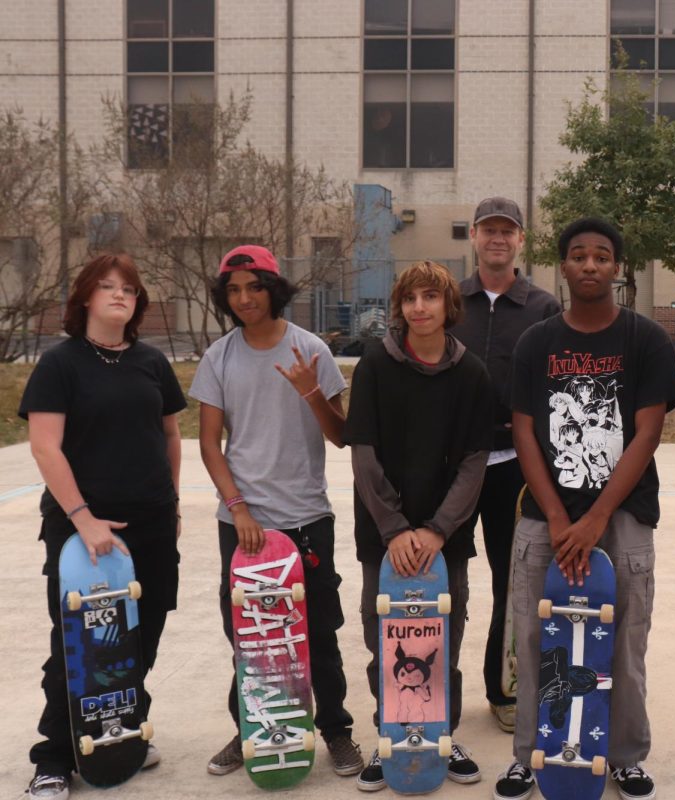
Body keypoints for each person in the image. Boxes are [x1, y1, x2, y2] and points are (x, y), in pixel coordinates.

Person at [495, 217, 675, 800]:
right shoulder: (538, 342)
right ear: (564, 265)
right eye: (578, 256)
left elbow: (647, 434)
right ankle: (533, 753)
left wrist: (599, 516)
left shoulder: (644, 339)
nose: (590, 265)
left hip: (623, 516)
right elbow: (525, 433)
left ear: (617, 268)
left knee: (626, 642)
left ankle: (625, 755)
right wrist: (556, 517)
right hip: (543, 516)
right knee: (533, 641)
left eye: (602, 256)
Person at [190, 245, 363, 779]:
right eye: (234, 290)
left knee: (318, 631)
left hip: (307, 518)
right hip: (243, 526)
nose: (244, 299)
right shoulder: (220, 356)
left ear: (273, 288)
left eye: (254, 287)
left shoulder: (311, 349)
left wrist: (313, 394)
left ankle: (335, 730)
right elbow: (210, 443)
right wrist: (238, 508)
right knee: (251, 635)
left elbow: (340, 437)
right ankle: (252, 729)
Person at [21, 253, 186, 800]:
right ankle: (53, 757)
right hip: (83, 534)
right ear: (86, 297)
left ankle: (120, 730)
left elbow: (169, 437)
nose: (121, 295)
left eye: (130, 290)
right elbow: (45, 447)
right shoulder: (60, 364)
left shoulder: (150, 362)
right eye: (108, 287)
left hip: (152, 524)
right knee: (78, 643)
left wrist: (174, 504)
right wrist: (84, 519)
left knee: (144, 632)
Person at [342, 260, 494, 791]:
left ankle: (440, 738)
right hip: (383, 539)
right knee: (384, 635)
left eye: (431, 297)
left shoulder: (471, 372)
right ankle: (390, 736)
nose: (420, 308)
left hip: (444, 541)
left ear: (449, 307)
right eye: (411, 299)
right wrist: (395, 529)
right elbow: (363, 453)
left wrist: (436, 530)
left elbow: (475, 461)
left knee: (441, 639)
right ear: (399, 306)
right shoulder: (376, 366)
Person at [456, 197, 560, 732]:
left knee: (512, 580)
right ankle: (435, 695)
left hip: (515, 465)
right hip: (453, 463)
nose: (498, 238)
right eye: (488, 230)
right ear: (473, 236)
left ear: (521, 240)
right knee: (443, 580)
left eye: (508, 231)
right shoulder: (449, 301)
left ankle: (503, 689)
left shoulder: (543, 308)